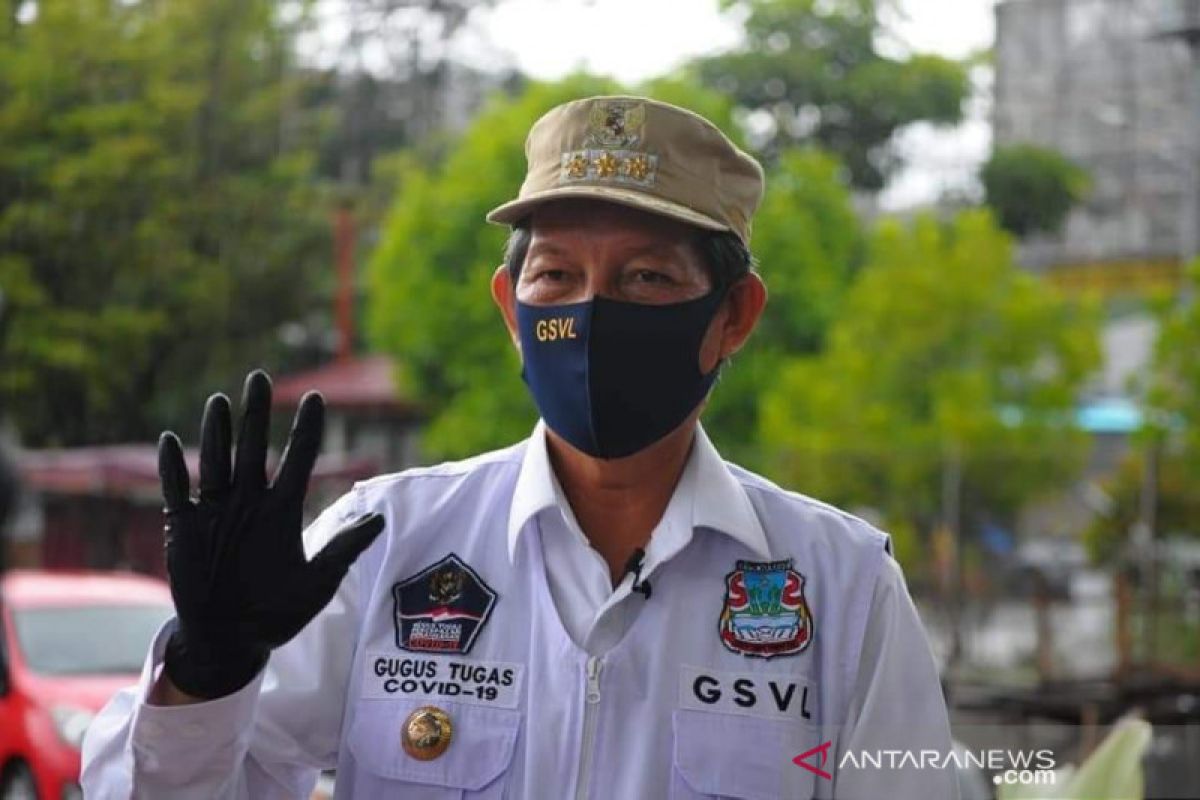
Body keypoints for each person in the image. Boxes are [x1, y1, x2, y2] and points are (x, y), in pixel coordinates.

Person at [81, 96, 958, 799]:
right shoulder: (380, 545)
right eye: (556, 276)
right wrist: (205, 675)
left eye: (646, 277)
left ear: (734, 317)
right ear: (511, 309)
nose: (593, 311)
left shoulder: (841, 585)